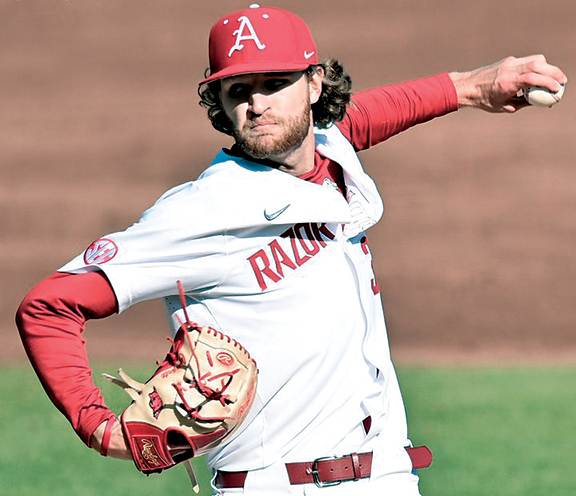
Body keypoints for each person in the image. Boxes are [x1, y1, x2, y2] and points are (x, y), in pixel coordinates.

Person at [16, 4, 567, 495]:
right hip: (273, 484)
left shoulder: (330, 151)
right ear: (219, 103)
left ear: (314, 84)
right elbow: (48, 306)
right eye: (238, 91)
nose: (257, 105)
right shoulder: (201, 211)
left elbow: (359, 120)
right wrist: (99, 426)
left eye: (275, 83)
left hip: (388, 478)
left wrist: (471, 86)